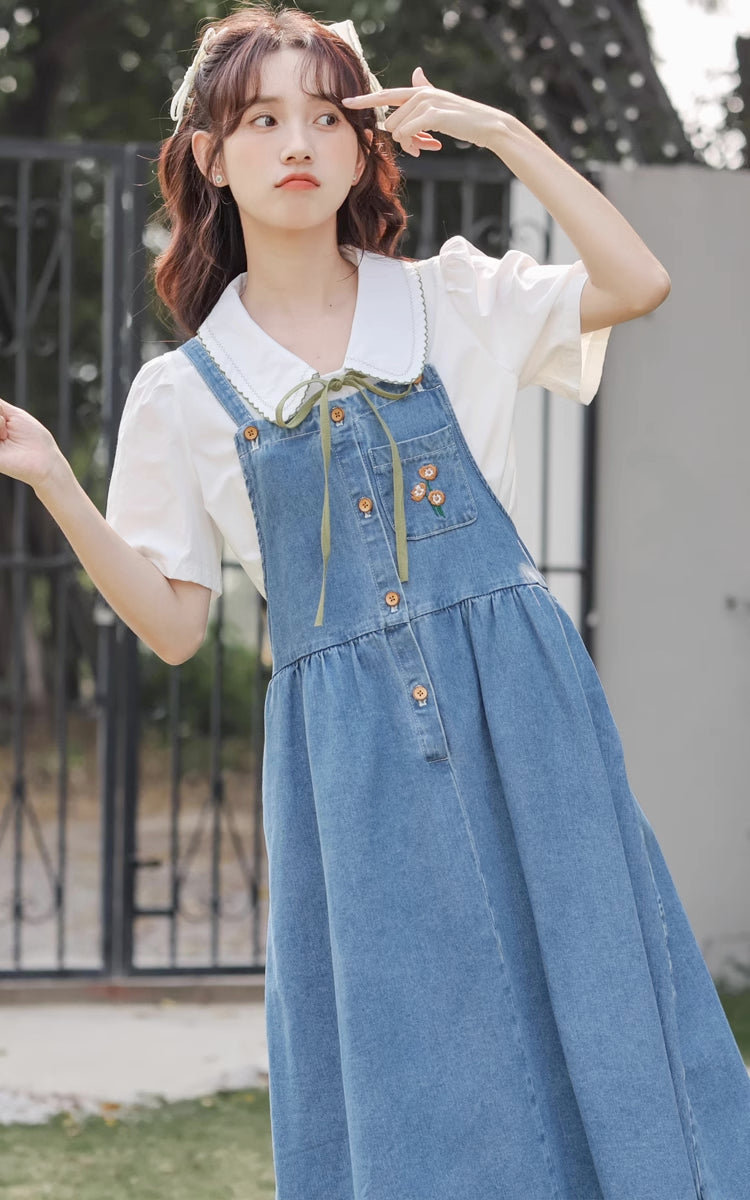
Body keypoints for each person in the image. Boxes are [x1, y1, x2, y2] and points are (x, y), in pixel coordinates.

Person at [1, 3, 748, 1196]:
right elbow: (176, 627)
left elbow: (639, 280)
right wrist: (52, 478)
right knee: (414, 1050)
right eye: (261, 120)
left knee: (604, 992)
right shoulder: (182, 393)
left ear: (364, 149)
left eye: (325, 116)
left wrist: (499, 131)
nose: (297, 142)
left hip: (529, 716)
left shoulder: (454, 299)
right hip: (348, 759)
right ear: (211, 156)